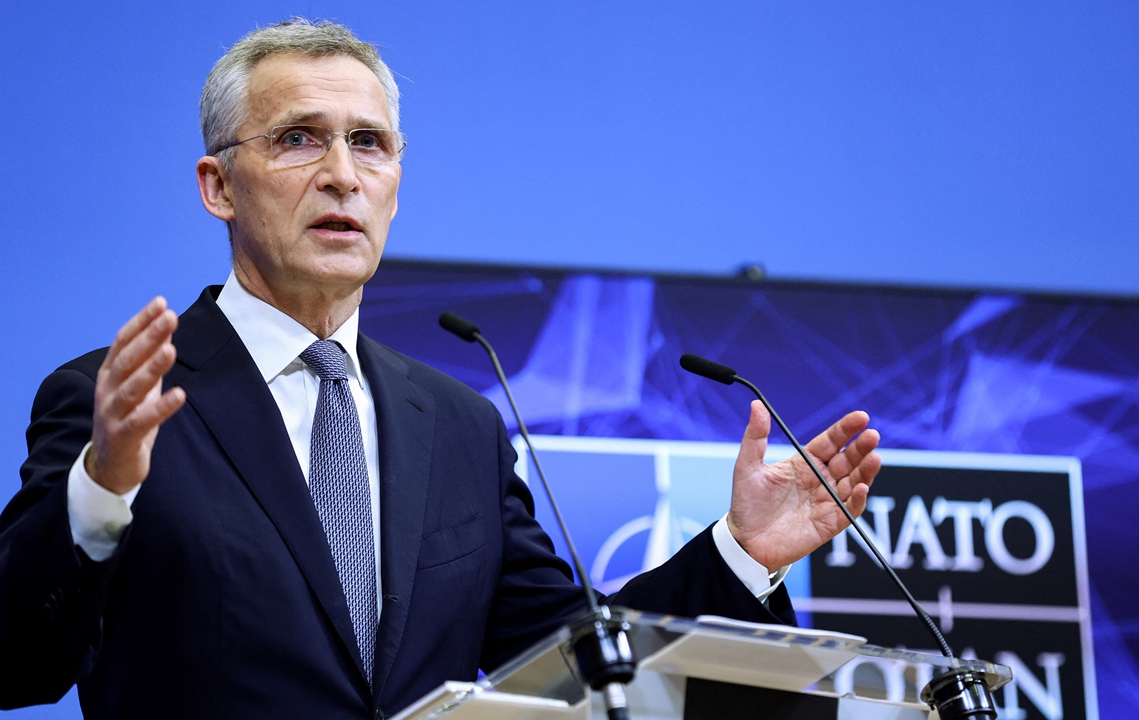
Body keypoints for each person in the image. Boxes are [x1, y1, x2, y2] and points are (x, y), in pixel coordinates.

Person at [0, 18, 882, 720]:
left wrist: (741, 554)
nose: (342, 175)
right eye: (300, 139)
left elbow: (578, 661)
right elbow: (17, 660)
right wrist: (99, 493)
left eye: (370, 144)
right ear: (218, 186)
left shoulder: (459, 426)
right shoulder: (119, 405)